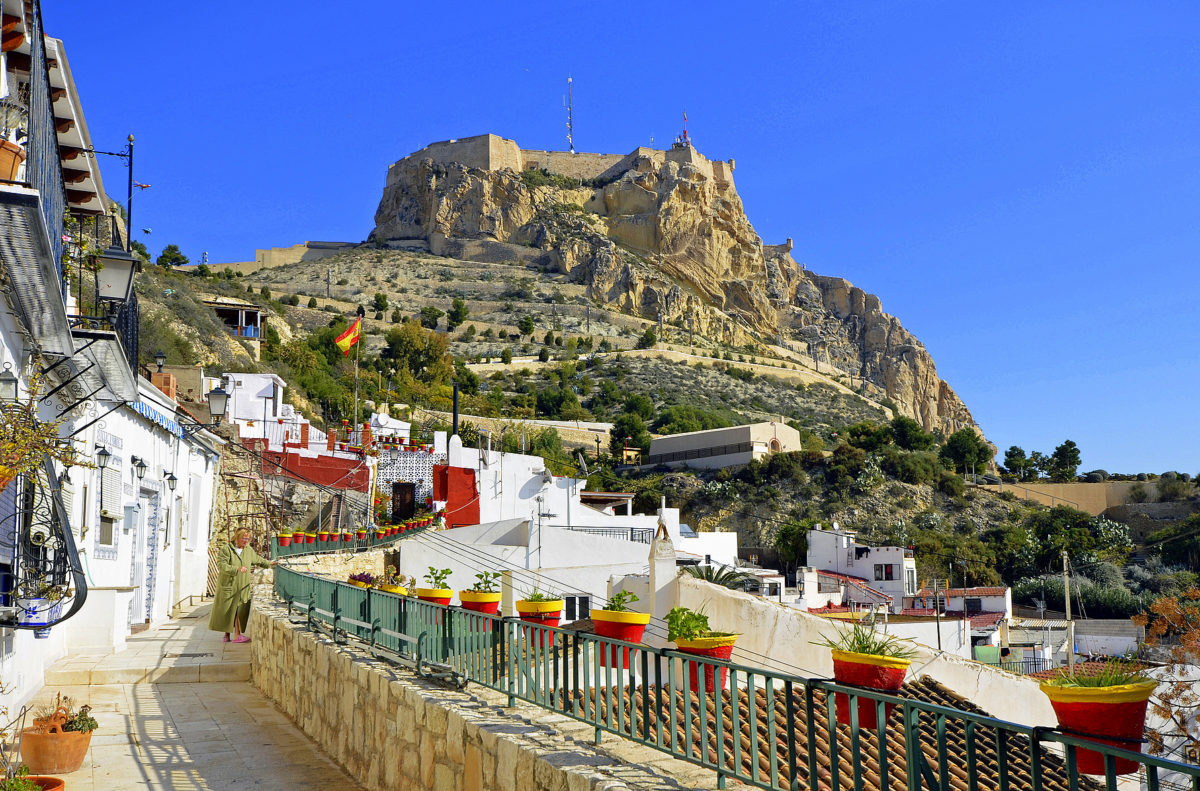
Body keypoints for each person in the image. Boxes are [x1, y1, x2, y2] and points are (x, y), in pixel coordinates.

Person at [209, 528, 276, 643]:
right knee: (229, 610)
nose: (246, 541)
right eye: (244, 538)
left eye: (248, 538)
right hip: (229, 585)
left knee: (238, 610)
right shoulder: (226, 549)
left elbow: (258, 560)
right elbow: (221, 565)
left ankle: (234, 635)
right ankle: (231, 635)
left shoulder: (248, 550)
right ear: (237, 537)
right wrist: (236, 569)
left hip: (243, 585)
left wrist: (270, 563)